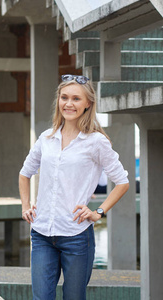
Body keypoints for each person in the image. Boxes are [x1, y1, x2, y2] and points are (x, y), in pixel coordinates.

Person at [19, 74, 129, 300]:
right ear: (58, 100)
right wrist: (25, 205)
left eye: (76, 99)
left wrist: (98, 212)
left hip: (76, 235)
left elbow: (122, 181)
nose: (68, 104)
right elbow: (25, 173)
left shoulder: (96, 142)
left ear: (88, 103)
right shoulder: (46, 138)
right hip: (41, 234)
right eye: (64, 97)